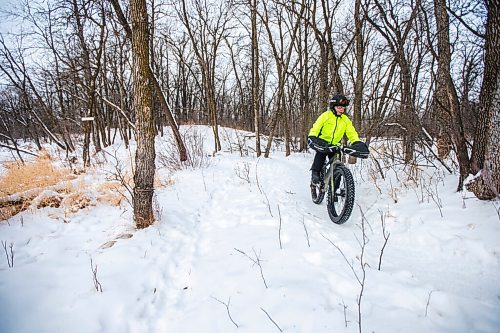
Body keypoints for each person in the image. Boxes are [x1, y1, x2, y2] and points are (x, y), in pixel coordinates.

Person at [307, 94, 367, 185]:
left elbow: (352, 132)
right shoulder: (326, 116)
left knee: (337, 166)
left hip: (335, 145)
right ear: (333, 106)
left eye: (343, 107)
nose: (341, 109)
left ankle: (334, 189)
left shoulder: (345, 119)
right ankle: (315, 172)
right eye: (339, 107)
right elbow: (316, 127)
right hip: (322, 143)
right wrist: (312, 136)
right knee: (320, 156)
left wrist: (356, 142)